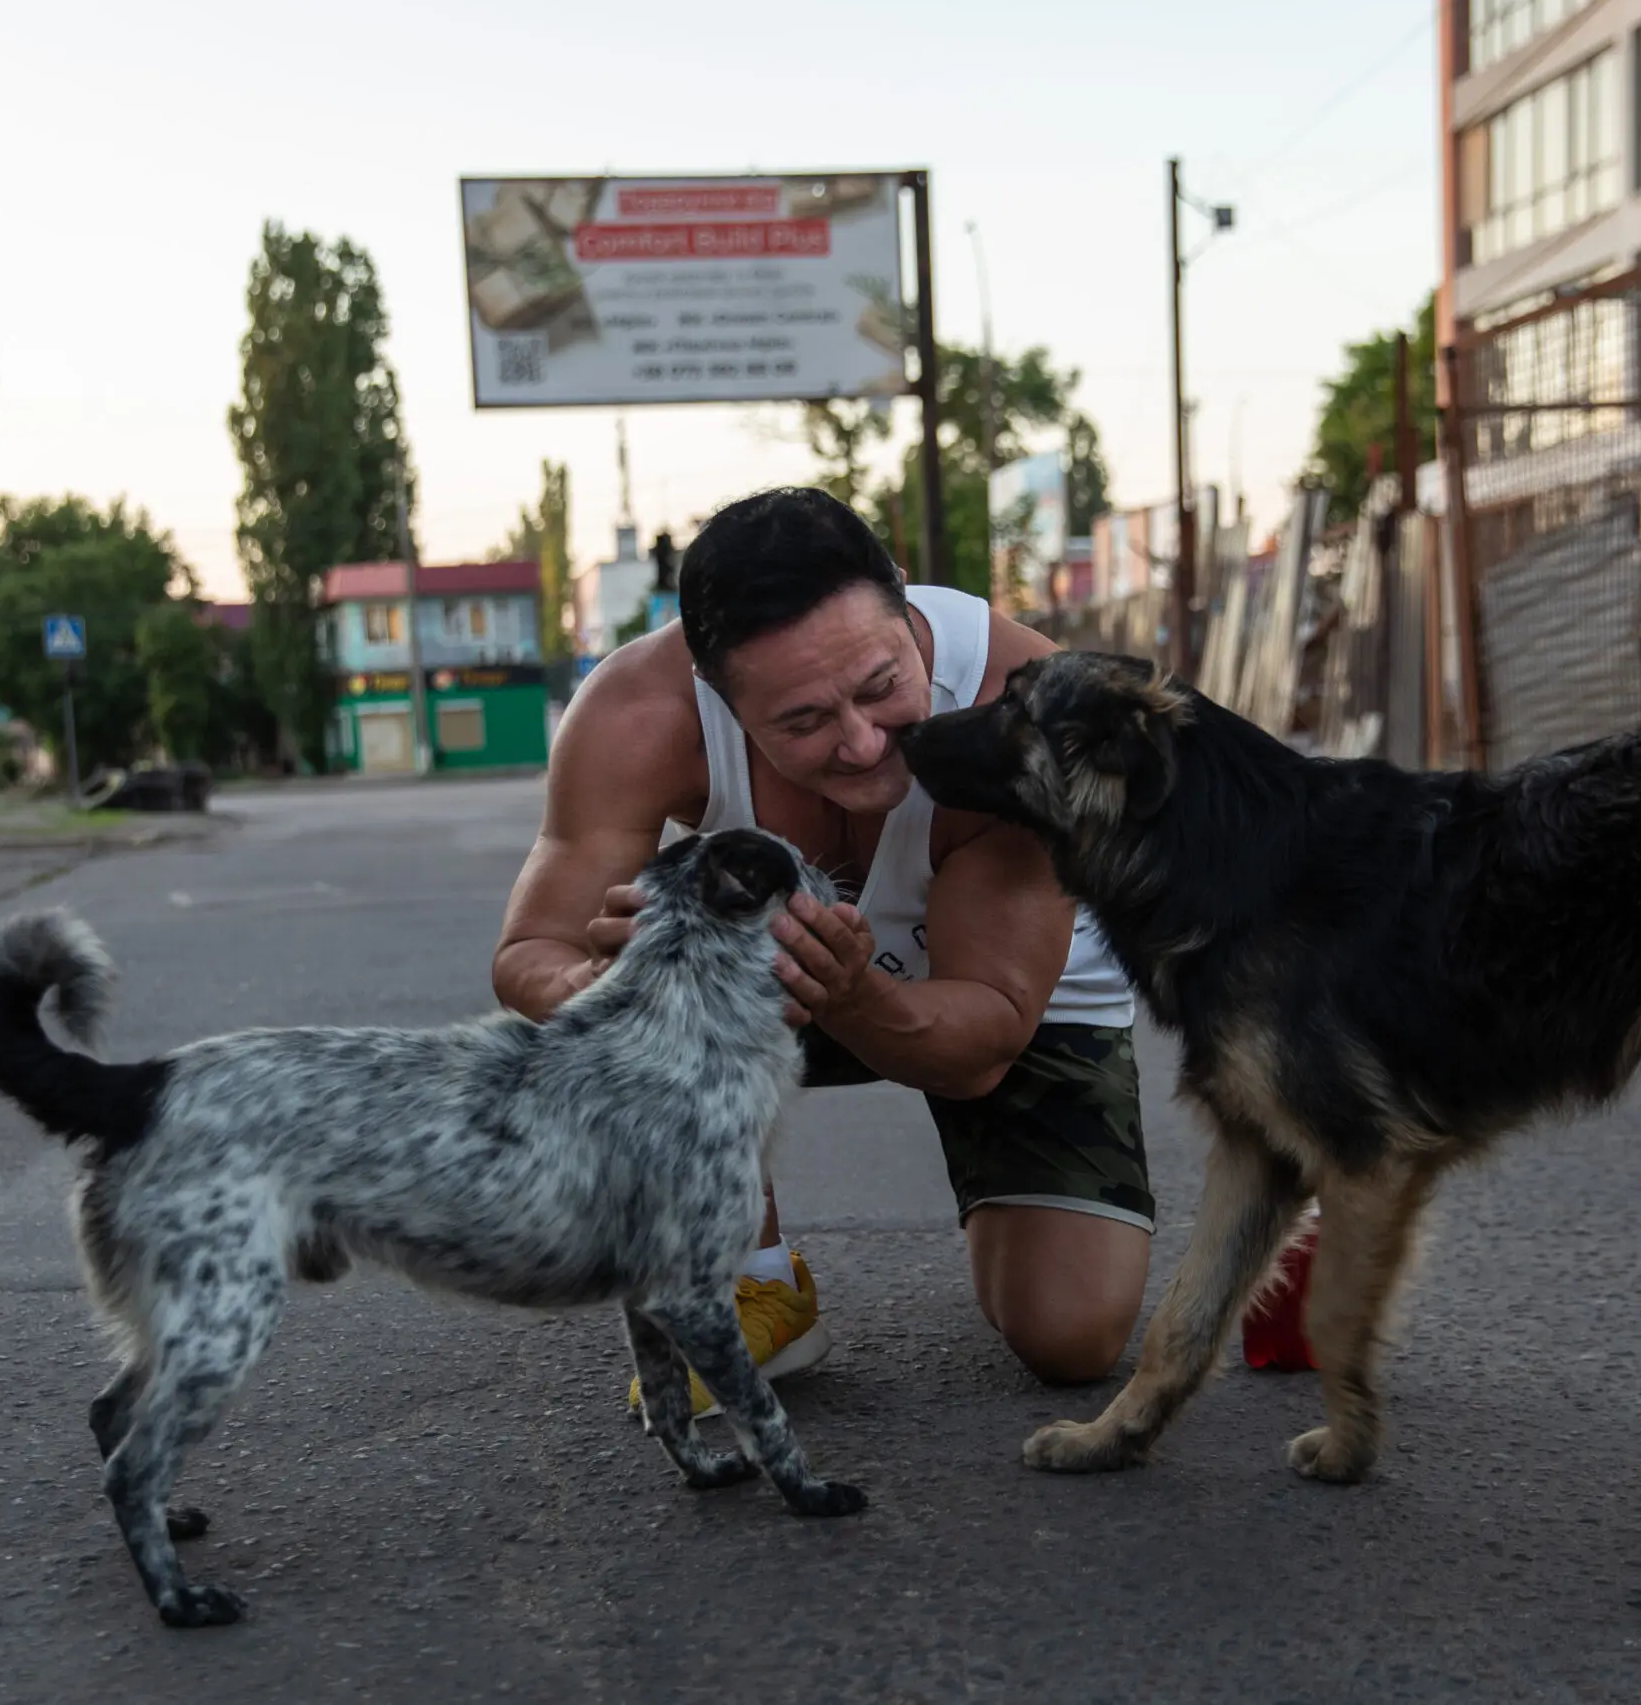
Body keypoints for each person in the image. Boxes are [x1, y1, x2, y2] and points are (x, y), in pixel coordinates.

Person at [493, 487, 1151, 1414]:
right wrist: (610, 989)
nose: (861, 742)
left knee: (1072, 1336)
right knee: (641, 997)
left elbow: (982, 1047)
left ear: (908, 612)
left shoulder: (1031, 705)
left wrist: (853, 993)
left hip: (998, 995)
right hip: (779, 983)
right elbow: (530, 951)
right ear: (716, 696)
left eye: (882, 686)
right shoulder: (636, 713)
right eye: (802, 721)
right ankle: (754, 1283)